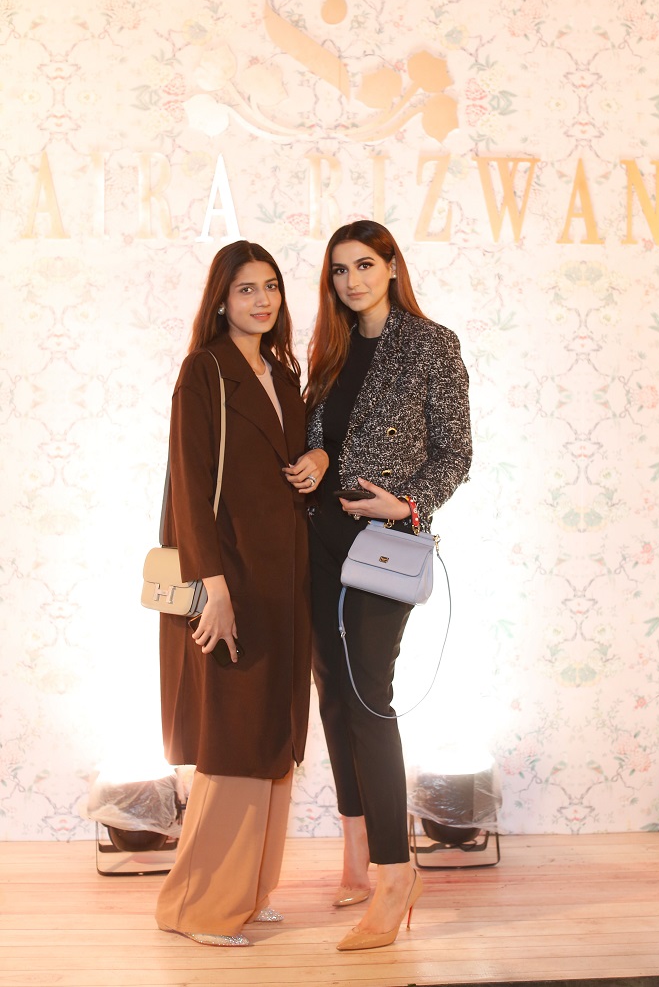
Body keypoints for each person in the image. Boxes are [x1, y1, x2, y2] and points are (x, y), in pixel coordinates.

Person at [299, 219, 472, 952]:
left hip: (383, 544)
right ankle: (356, 855)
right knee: (333, 694)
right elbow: (324, 437)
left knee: (369, 696)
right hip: (317, 537)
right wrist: (314, 455)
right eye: (340, 270)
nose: (353, 281)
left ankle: (396, 873)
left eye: (365, 265)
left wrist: (406, 505)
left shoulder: (431, 345)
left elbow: (456, 453)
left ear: (393, 266)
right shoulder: (330, 350)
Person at [155, 241, 320, 947]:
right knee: (232, 739)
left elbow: (296, 455)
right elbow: (190, 485)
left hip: (285, 581)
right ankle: (200, 907)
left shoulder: (282, 372)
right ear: (221, 299)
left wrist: (318, 457)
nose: (262, 300)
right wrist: (211, 585)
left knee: (272, 735)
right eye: (246, 288)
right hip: (233, 578)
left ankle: (249, 892)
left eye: (271, 286)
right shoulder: (205, 371)